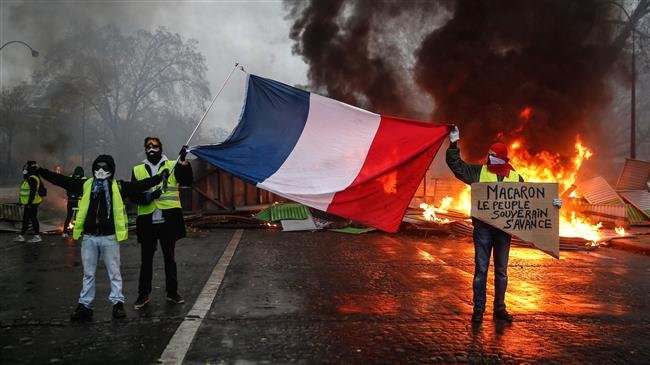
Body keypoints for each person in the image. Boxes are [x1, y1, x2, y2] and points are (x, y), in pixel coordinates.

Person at [445, 126, 561, 323]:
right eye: (488, 155)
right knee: (481, 269)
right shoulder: (478, 172)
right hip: (483, 228)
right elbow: (457, 166)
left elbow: (531, 201)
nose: (489, 158)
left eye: (493, 156)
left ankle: (499, 309)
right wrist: (454, 143)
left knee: (501, 271)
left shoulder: (516, 178)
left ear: (503, 158)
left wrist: (553, 204)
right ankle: (479, 310)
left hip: (504, 230)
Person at [37, 155, 165, 321]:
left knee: (114, 273)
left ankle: (117, 304)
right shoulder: (87, 185)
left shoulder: (118, 186)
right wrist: (41, 171)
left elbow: (138, 185)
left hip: (109, 237)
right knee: (88, 274)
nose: (101, 171)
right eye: (97, 168)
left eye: (105, 168)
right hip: (90, 238)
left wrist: (158, 178)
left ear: (111, 170)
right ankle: (85, 306)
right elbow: (61, 180)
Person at [131, 137, 193, 310]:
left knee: (170, 258)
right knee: (146, 260)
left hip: (168, 219)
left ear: (161, 148)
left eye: (155, 146)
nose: (152, 149)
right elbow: (133, 194)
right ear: (144, 149)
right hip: (147, 220)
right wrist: (149, 196)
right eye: (148, 146)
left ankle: (172, 292)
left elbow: (187, 181)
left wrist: (182, 162)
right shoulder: (137, 169)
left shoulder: (172, 165)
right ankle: (143, 295)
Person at [15, 161, 43, 243]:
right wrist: (21, 201)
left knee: (32, 219)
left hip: (32, 203)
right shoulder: (29, 177)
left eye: (26, 167)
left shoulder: (32, 178)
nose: (24, 169)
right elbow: (25, 192)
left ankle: (37, 236)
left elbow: (32, 192)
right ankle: (22, 236)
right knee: (26, 219)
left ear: (30, 168)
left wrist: (29, 203)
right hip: (30, 203)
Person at [62, 166, 86, 238]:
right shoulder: (83, 179)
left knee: (69, 216)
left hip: (70, 200)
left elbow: (67, 189)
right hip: (79, 201)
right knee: (78, 217)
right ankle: (78, 232)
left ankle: (64, 232)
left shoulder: (70, 178)